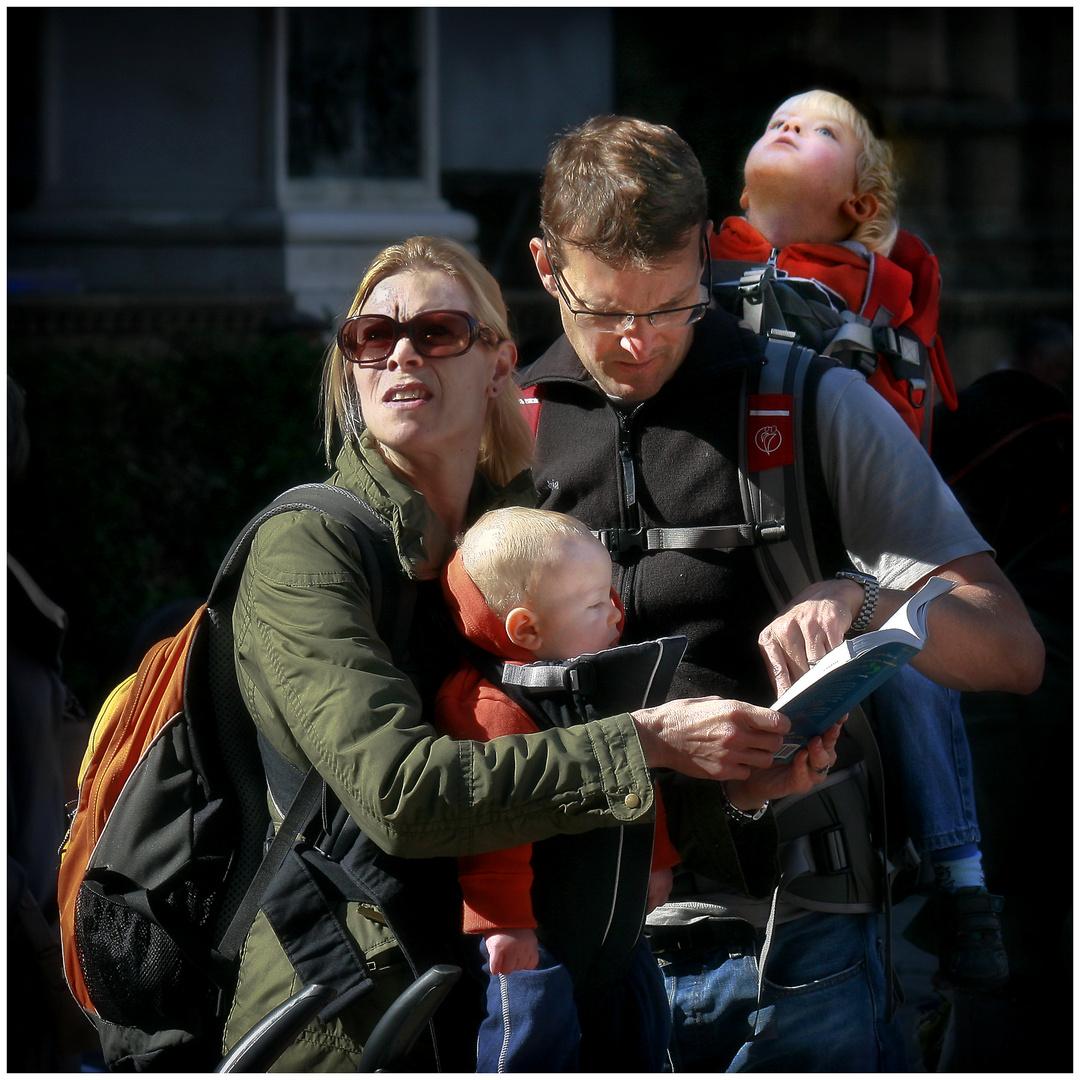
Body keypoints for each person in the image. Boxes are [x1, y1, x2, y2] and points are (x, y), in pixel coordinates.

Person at [219, 235, 840, 1071]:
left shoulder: (526, 537)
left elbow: (550, 771)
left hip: (530, 1011)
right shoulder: (308, 548)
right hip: (357, 1020)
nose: (401, 352)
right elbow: (402, 793)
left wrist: (734, 788)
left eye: (437, 331)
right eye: (372, 336)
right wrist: (648, 741)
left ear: (500, 361)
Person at [522, 115, 1044, 1072]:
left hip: (803, 953)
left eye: (673, 307)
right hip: (573, 954)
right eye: (603, 312)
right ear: (546, 267)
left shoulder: (812, 403)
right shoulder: (505, 432)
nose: (637, 345)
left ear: (710, 255)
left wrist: (867, 599)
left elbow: (1014, 651)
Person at [710, 88, 1006, 993]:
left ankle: (963, 880)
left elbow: (905, 468)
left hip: (859, 551)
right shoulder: (692, 261)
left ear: (861, 204)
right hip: (732, 529)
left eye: (823, 128)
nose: (789, 126)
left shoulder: (884, 302)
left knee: (910, 650)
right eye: (775, 121)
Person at [436, 506, 681, 1071]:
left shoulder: (590, 681)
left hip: (610, 922)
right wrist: (506, 925)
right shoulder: (493, 707)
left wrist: (656, 858)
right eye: (597, 604)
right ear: (526, 629)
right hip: (532, 938)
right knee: (533, 1039)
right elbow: (493, 826)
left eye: (612, 595)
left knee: (641, 1025)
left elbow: (639, 777)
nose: (617, 614)